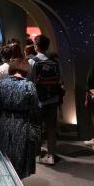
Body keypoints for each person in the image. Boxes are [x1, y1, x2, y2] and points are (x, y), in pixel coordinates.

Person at [0, 58, 42, 178]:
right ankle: (17, 182)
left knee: (4, 153)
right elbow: (36, 107)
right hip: (23, 123)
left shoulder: (2, 84)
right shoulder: (28, 85)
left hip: (5, 120)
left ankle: (5, 180)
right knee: (20, 154)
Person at [30, 35, 63, 165]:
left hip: (37, 100)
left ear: (36, 46)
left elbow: (29, 82)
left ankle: (37, 154)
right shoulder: (55, 62)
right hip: (53, 99)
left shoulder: (32, 61)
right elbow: (60, 80)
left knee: (36, 127)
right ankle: (51, 155)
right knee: (51, 128)